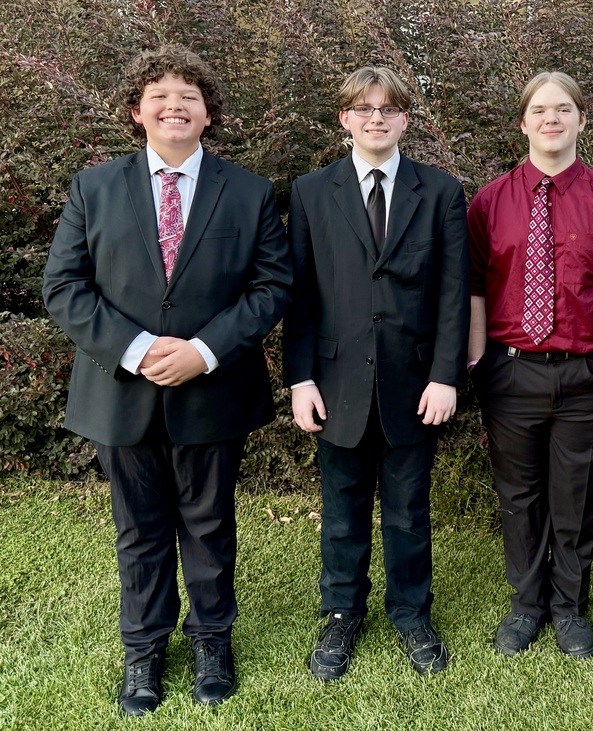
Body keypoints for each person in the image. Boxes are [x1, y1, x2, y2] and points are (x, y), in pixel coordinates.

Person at [42, 45, 292, 715]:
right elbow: (64, 286)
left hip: (213, 388)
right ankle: (144, 648)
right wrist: (140, 348)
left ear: (209, 114)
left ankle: (212, 639)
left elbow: (273, 287)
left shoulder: (248, 191)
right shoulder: (93, 188)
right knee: (139, 528)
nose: (174, 103)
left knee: (209, 524)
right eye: (159, 93)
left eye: (189, 94)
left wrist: (205, 350)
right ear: (137, 112)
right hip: (120, 391)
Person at [283, 66, 469, 679]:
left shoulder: (439, 192)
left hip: (414, 384)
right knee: (341, 511)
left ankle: (412, 612)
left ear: (405, 119)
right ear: (345, 119)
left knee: (410, 511)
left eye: (388, 108)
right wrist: (300, 378)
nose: (376, 118)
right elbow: (301, 295)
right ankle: (340, 616)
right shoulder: (311, 192)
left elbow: (451, 292)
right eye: (363, 108)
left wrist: (446, 375)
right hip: (335, 384)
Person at [467, 71, 593, 659]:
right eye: (539, 110)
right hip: (511, 371)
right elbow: (474, 288)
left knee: (578, 494)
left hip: (589, 375)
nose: (551, 119)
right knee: (519, 496)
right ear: (523, 122)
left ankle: (569, 607)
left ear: (581, 119)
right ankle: (526, 605)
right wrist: (477, 360)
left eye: (563, 109)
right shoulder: (490, 201)